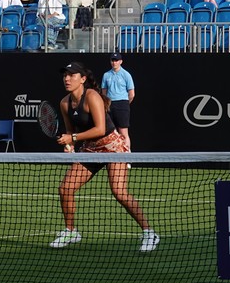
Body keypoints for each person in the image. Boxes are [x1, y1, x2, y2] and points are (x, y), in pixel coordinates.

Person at [50, 61, 159, 252]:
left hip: (113, 147)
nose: (67, 79)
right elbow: (69, 131)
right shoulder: (64, 103)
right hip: (91, 150)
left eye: (72, 75)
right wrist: (69, 145)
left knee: (119, 192)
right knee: (65, 189)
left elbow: (100, 129)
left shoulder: (92, 96)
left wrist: (73, 137)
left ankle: (149, 233)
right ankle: (70, 231)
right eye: (65, 75)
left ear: (82, 79)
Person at [101, 53, 135, 151]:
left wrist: (124, 104)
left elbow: (131, 94)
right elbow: (104, 92)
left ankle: (127, 158)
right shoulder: (106, 75)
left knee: (123, 132)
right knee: (111, 133)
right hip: (110, 105)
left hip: (122, 104)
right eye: (112, 60)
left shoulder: (126, 74)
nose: (114, 62)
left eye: (116, 60)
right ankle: (113, 158)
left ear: (121, 61)